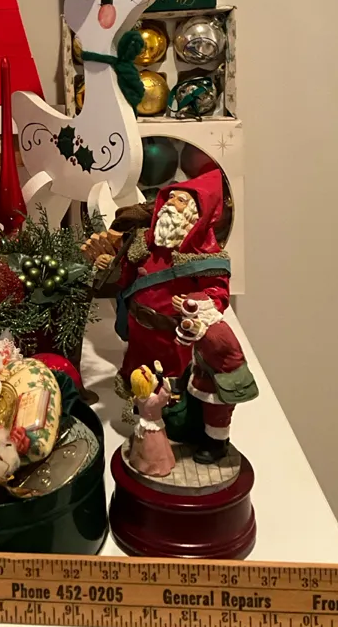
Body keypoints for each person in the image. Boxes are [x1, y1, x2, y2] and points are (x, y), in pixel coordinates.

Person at [109, 170, 232, 386]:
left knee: (171, 382)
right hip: (139, 329)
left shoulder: (205, 256)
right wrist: (110, 265)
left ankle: (171, 400)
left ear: (195, 213)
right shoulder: (146, 242)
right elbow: (126, 276)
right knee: (136, 376)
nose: (170, 203)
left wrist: (193, 303)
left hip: (174, 338)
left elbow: (217, 295)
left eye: (180, 200)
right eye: (170, 197)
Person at [174, 295, 259, 464]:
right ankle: (203, 437)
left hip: (219, 385)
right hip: (204, 380)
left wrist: (200, 332)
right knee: (203, 412)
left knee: (217, 417)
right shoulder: (204, 333)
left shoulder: (217, 333)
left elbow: (224, 350)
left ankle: (216, 446)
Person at [128, 363, 175, 477]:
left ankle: (141, 463)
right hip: (153, 429)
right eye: (151, 377)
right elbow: (162, 400)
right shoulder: (152, 400)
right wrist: (166, 389)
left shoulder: (139, 398)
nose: (154, 377)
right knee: (155, 448)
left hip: (143, 426)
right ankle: (154, 467)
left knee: (143, 447)